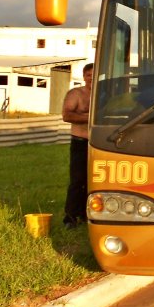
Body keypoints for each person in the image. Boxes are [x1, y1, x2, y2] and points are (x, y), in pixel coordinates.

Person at [62, 63, 93, 229]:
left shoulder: (104, 94)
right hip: (80, 141)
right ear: (84, 76)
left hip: (98, 143)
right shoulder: (76, 94)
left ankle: (88, 214)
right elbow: (67, 115)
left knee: (94, 181)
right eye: (89, 75)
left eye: (96, 75)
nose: (92, 78)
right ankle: (70, 217)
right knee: (77, 180)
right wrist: (92, 117)